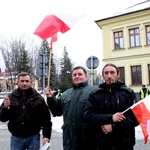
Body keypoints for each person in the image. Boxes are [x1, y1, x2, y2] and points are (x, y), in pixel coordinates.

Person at [84, 63, 139, 150]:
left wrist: (113, 127)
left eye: (112, 72)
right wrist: (111, 118)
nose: (109, 76)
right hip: (102, 144)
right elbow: (89, 116)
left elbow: (135, 118)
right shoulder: (95, 94)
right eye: (106, 73)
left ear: (118, 74)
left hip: (124, 144)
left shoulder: (128, 93)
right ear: (103, 75)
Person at [44, 66, 97, 150]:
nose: (77, 76)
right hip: (69, 140)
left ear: (86, 77)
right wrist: (51, 98)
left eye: (80, 74)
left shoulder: (95, 91)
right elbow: (57, 111)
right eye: (74, 75)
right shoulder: (66, 94)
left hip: (88, 138)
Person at [0, 72, 52, 150]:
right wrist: (5, 107)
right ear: (17, 82)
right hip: (16, 138)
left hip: (33, 137)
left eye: (27, 81)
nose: (24, 83)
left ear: (31, 82)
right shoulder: (10, 98)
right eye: (22, 81)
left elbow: (46, 119)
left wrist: (46, 136)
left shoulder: (38, 98)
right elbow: (3, 118)